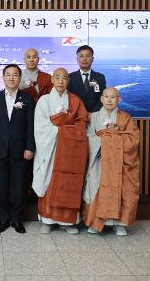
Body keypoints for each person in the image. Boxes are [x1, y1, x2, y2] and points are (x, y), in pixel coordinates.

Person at [32, 68, 89, 234]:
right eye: (57, 77)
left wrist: (62, 127)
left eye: (64, 78)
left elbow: (82, 123)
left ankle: (68, 222)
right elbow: (41, 127)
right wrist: (62, 125)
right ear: (52, 80)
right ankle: (47, 220)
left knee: (68, 182)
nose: (61, 81)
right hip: (49, 148)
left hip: (70, 149)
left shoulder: (75, 100)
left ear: (68, 81)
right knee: (49, 180)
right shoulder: (44, 101)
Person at [83, 87, 140, 236]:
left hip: (119, 162)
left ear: (119, 99)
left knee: (122, 189)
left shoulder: (125, 118)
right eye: (106, 97)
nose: (109, 100)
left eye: (113, 97)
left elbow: (133, 139)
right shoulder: (93, 117)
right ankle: (96, 222)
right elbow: (87, 136)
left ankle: (119, 224)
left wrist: (114, 137)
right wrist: (107, 139)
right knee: (96, 188)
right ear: (101, 99)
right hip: (99, 160)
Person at [0, 64, 35, 234]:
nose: (11, 78)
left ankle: (17, 219)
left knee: (19, 186)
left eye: (15, 75)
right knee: (1, 186)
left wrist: (30, 147)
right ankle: (3, 219)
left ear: (20, 78)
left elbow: (31, 126)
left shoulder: (27, 99)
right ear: (3, 77)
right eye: (8, 75)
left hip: (20, 150)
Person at [66, 45, 106, 113]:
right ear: (77, 60)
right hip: (76, 116)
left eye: (87, 56)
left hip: (95, 115)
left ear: (92, 59)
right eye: (81, 56)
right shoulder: (70, 77)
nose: (84, 59)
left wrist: (92, 113)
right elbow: (67, 98)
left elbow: (102, 97)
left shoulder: (100, 77)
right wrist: (81, 114)